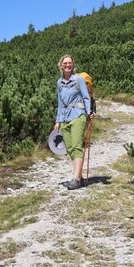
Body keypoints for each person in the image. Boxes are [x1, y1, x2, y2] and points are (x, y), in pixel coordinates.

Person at [54, 54, 92, 190]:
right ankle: (79, 177)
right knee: (70, 148)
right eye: (65, 63)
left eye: (70, 63)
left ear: (73, 65)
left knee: (77, 146)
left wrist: (88, 112)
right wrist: (58, 121)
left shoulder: (78, 80)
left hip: (78, 115)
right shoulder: (59, 83)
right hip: (64, 118)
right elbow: (59, 103)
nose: (68, 65)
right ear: (61, 65)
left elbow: (86, 97)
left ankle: (76, 178)